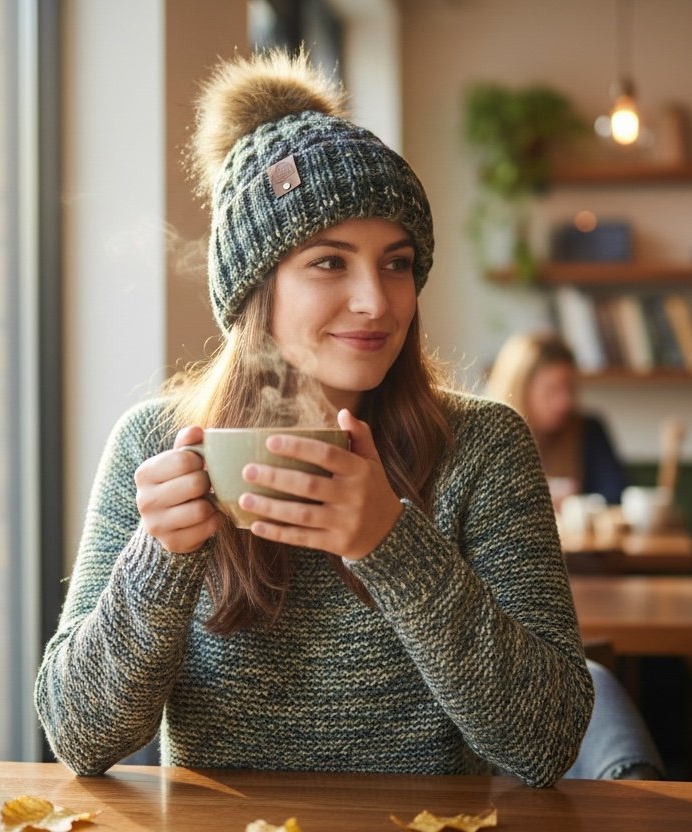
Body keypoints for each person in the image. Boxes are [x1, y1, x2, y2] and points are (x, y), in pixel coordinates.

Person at [34, 50, 593, 788]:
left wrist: (390, 544)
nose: (376, 301)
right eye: (330, 262)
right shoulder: (154, 442)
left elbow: (546, 741)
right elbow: (79, 738)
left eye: (397, 263)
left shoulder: (483, 447)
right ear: (255, 289)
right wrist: (158, 559)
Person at [485, 332, 628, 505]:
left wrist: (575, 502)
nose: (564, 402)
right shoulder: (489, 437)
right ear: (520, 390)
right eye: (551, 390)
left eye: (569, 388)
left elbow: (615, 494)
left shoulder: (587, 429)